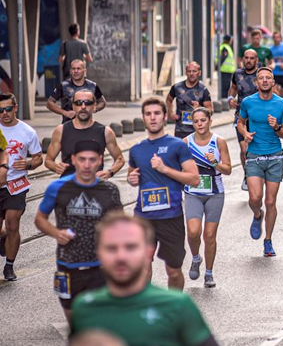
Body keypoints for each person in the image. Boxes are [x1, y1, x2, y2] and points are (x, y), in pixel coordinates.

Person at [71, 213, 220, 346]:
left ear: (148, 251)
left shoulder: (178, 305)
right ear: (98, 254)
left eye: (131, 247)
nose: (121, 257)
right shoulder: (84, 308)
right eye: (111, 248)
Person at [35, 140, 121, 317]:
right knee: (73, 319)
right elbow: (40, 219)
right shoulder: (58, 188)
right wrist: (56, 233)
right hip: (68, 264)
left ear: (99, 160)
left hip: (101, 266)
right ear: (73, 160)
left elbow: (120, 225)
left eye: (92, 160)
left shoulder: (109, 190)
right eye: (82, 159)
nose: (87, 165)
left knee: (100, 322)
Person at [126, 98, 200, 290]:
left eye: (157, 113)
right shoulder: (136, 149)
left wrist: (165, 169)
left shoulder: (178, 146)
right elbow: (132, 175)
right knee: (142, 267)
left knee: (174, 271)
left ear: (165, 116)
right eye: (148, 114)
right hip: (143, 218)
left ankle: (174, 308)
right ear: (143, 118)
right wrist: (131, 179)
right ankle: (143, 310)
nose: (153, 118)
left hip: (170, 217)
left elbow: (194, 179)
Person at [237, 67, 283, 257]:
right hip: (254, 156)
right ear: (256, 82)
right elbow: (240, 122)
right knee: (254, 198)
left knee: (270, 201)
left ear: (273, 82)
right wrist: (245, 134)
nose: (265, 81)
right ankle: (257, 215)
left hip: (275, 157)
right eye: (261, 78)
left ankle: (268, 240)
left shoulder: (282, 104)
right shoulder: (248, 102)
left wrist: (276, 126)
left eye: (268, 78)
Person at [184, 108, 232, 289]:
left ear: (210, 121)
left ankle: (209, 273)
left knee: (210, 235)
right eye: (196, 121)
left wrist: (215, 163)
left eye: (203, 120)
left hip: (215, 193)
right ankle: (196, 257)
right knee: (193, 232)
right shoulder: (185, 143)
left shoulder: (219, 142)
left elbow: (228, 169)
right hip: (193, 193)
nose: (200, 124)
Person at [0, 92, 43, 281]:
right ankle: (3, 240)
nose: (4, 113)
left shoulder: (27, 132)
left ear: (15, 108)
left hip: (16, 185)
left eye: (8, 109)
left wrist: (27, 164)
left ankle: (9, 266)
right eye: (0, 110)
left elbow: (38, 158)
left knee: (12, 223)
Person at [45, 90, 125, 179]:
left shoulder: (105, 132)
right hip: (69, 189)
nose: (83, 107)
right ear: (73, 106)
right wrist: (55, 167)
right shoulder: (61, 130)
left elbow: (120, 159)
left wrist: (109, 172)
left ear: (94, 106)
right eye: (78, 103)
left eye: (87, 103)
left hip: (94, 189)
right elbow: (48, 160)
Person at [228, 49, 259, 191]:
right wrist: (230, 98)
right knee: (244, 148)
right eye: (246, 58)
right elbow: (233, 89)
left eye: (251, 58)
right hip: (241, 116)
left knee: (256, 149)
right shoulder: (237, 74)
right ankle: (247, 175)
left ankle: (258, 174)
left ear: (256, 60)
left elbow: (273, 91)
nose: (248, 61)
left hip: (258, 117)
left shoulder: (262, 75)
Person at [166, 62, 213, 139]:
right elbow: (168, 100)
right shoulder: (177, 87)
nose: (191, 74)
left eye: (194, 71)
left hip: (198, 130)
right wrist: (170, 113)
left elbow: (210, 110)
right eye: (189, 71)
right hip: (180, 130)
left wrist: (199, 108)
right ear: (186, 73)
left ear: (199, 73)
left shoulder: (203, 89)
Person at [216, 35, 236, 99]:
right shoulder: (225, 47)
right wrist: (217, 67)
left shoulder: (225, 47)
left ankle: (223, 98)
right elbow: (223, 58)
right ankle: (223, 99)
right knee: (225, 86)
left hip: (226, 70)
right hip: (225, 70)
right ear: (229, 40)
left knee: (225, 86)